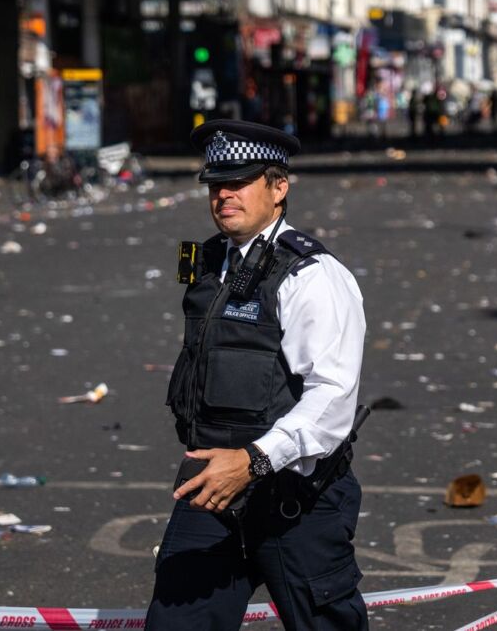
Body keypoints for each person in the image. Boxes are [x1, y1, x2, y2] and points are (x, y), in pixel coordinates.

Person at [147, 119, 369, 631]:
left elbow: (332, 399)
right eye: (215, 183)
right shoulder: (209, 263)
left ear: (279, 186)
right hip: (211, 487)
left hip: (296, 499)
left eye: (239, 181)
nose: (223, 194)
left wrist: (254, 461)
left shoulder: (312, 276)